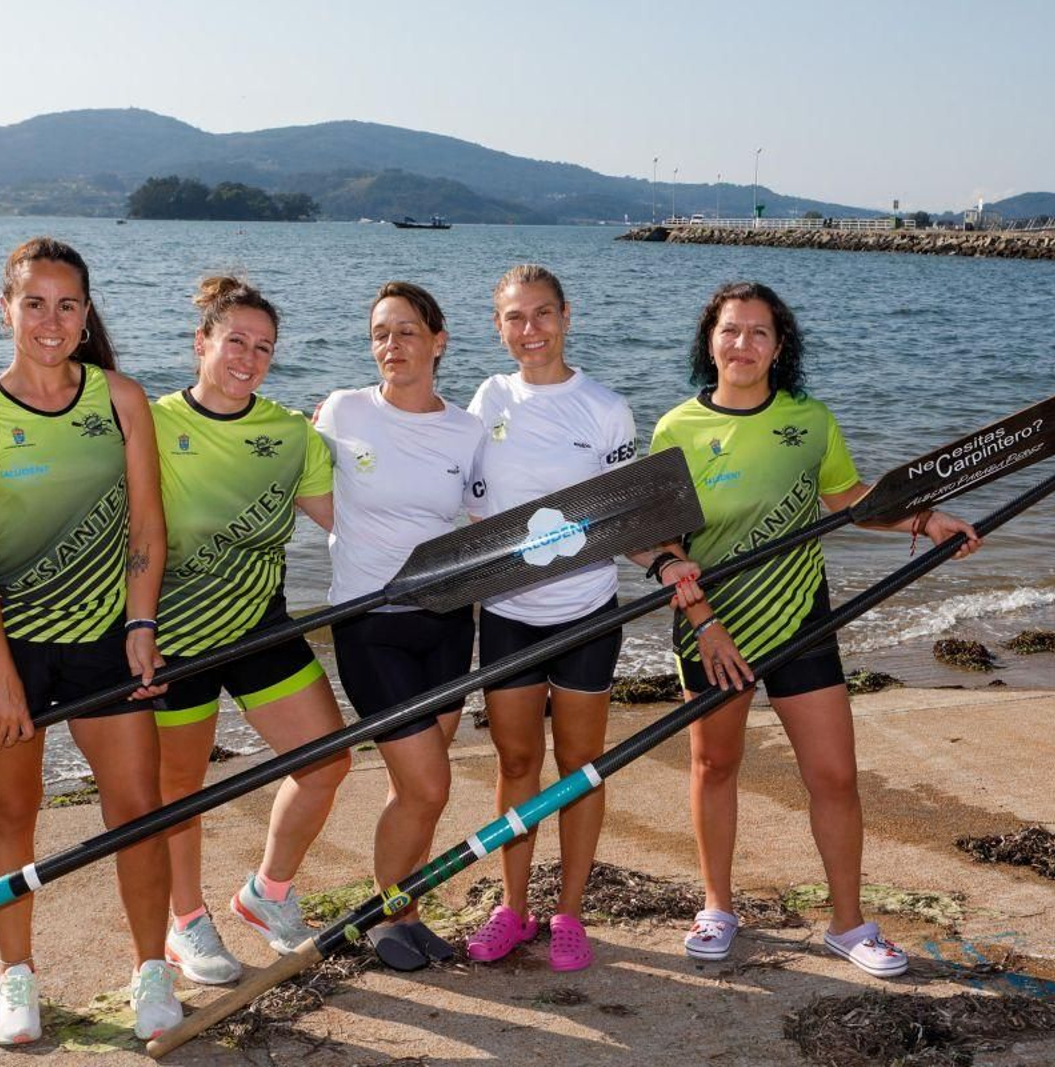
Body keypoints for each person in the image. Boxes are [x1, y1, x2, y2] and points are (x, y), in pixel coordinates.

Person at [647, 281, 982, 978]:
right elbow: (666, 549)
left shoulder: (811, 419)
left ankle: (848, 923)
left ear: (780, 345)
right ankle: (716, 907)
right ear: (710, 339)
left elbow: (850, 500)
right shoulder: (675, 428)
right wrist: (704, 623)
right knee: (715, 765)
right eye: (730, 331)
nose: (743, 345)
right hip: (713, 628)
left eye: (758, 333)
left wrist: (925, 519)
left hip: (800, 618)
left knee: (833, 774)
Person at [0, 237, 182, 1044]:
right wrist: (3, 678)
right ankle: (16, 975)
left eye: (67, 303)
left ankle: (151, 967)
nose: (51, 319)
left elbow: (147, 525)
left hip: (103, 638)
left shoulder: (120, 399)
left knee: (136, 810)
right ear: (5, 309)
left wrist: (142, 623)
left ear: (86, 314)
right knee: (13, 809)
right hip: (5, 646)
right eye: (33, 302)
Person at [462, 265, 693, 972]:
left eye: (541, 314)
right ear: (498, 326)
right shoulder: (485, 399)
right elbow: (454, 495)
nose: (529, 331)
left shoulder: (605, 408)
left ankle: (569, 912)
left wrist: (666, 562)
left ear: (567, 315)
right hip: (506, 612)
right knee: (517, 762)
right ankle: (514, 906)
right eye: (514, 318)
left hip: (587, 613)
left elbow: (627, 516)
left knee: (581, 767)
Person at [150, 276, 350, 985]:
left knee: (327, 761)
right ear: (201, 341)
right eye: (235, 340)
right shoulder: (149, 423)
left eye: (263, 347)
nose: (249, 357)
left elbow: (348, 520)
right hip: (172, 637)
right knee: (180, 792)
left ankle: (267, 892)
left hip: (259, 627)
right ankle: (185, 922)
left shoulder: (291, 433)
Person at [313, 281, 487, 972]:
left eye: (408, 331)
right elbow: (298, 480)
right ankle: (387, 916)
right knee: (428, 784)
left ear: (439, 341)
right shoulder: (342, 409)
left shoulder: (468, 430)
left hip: (446, 621)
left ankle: (408, 907)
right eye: (382, 333)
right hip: (368, 622)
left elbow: (488, 518)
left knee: (421, 781)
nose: (393, 345)